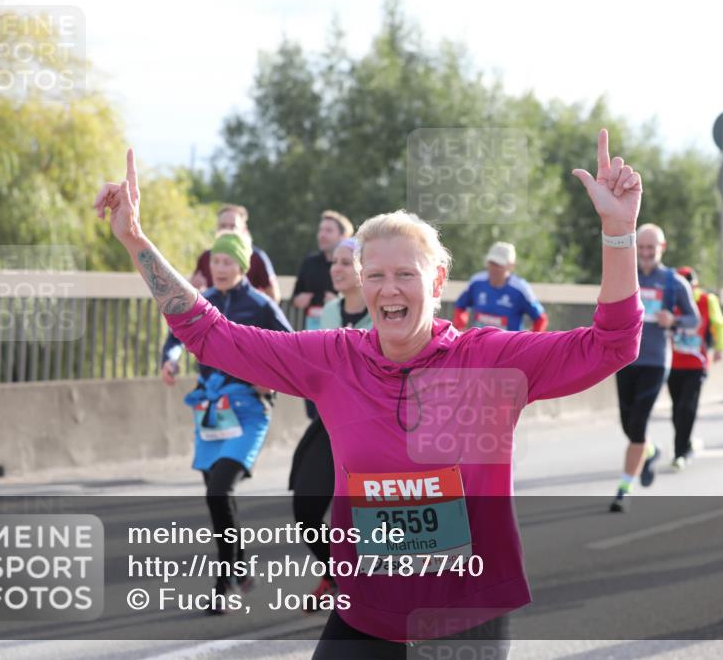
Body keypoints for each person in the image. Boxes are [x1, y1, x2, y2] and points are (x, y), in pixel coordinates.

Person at [95, 130, 644, 657]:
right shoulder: (333, 358)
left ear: (437, 280)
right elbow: (212, 336)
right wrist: (135, 241)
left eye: (405, 274)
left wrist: (618, 234)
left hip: (465, 606)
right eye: (374, 275)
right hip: (368, 605)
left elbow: (612, 345)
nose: (388, 289)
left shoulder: (490, 358)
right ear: (360, 279)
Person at [160, 231, 293, 614]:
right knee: (218, 497)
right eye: (214, 262)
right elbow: (175, 336)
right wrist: (170, 358)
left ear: (242, 265)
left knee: (219, 490)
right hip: (211, 408)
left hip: (249, 408)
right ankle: (240, 566)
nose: (219, 269)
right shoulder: (204, 303)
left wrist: (267, 380)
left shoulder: (260, 304)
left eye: (227, 262)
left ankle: (224, 585)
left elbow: (291, 345)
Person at [288, 237, 372, 612]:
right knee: (306, 510)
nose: (335, 269)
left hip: (372, 427)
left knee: (361, 515)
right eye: (333, 262)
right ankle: (336, 573)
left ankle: (367, 589)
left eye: (344, 262)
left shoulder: (382, 311)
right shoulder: (328, 313)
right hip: (330, 424)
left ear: (363, 270)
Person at [610, 223, 699, 512]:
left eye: (651, 248)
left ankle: (625, 487)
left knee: (638, 423)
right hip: (625, 359)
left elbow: (693, 319)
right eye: (643, 248)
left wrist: (672, 321)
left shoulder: (674, 282)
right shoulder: (627, 275)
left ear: (662, 248)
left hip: (656, 361)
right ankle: (649, 450)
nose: (646, 253)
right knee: (627, 423)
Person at [667, 266, 723, 470]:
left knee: (687, 407)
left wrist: (720, 347)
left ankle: (679, 453)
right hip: (673, 364)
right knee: (677, 410)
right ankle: (686, 443)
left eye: (689, 284)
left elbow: (718, 324)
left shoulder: (706, 300)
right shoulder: (669, 300)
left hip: (697, 364)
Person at [190, 204, 280, 302]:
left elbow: (274, 297)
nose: (227, 230)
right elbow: (195, 290)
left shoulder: (257, 257)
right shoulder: (206, 256)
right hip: (213, 313)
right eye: (223, 226)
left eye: (233, 226)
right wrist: (195, 289)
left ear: (243, 229)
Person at [452, 242, 548, 332]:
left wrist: (529, 345)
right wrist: (460, 331)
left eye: (499, 264)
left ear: (511, 266)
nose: (494, 268)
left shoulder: (521, 289)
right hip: (479, 347)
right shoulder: (476, 282)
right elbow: (460, 306)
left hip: (510, 349)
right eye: (491, 263)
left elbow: (540, 319)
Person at [292, 210, 354, 331]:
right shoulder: (309, 262)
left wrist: (339, 303)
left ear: (343, 236)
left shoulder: (357, 262)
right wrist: (298, 300)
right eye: (320, 230)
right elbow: (294, 297)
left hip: (343, 331)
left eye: (328, 230)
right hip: (311, 330)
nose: (322, 235)